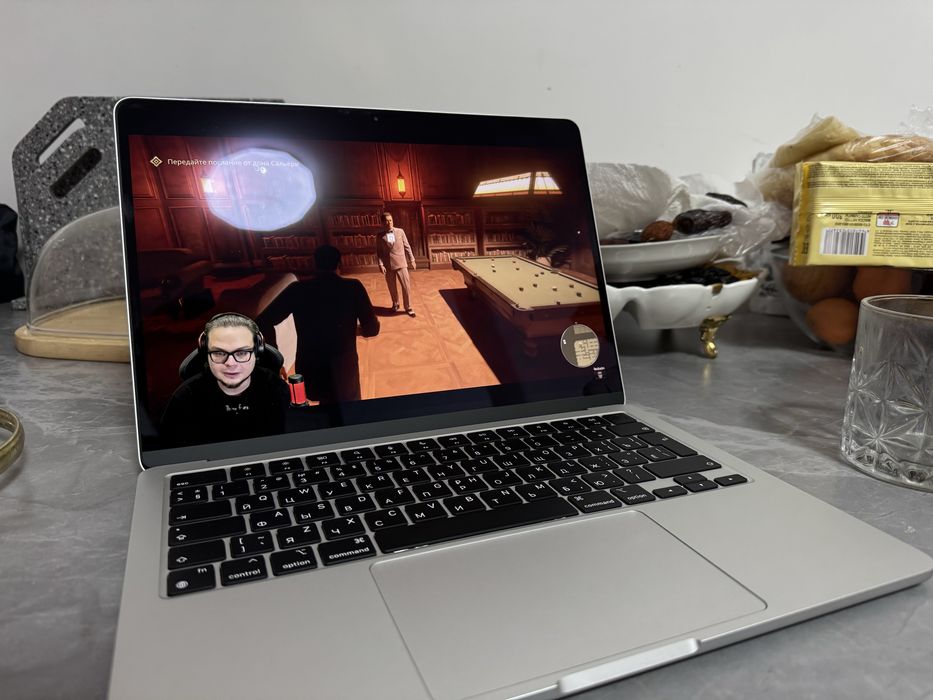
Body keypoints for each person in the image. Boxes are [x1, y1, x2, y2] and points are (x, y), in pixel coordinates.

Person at [259, 244, 379, 404]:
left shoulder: (297, 290)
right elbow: (372, 330)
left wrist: (275, 360)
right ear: (339, 264)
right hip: (343, 369)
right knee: (348, 410)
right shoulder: (353, 287)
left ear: (314, 264)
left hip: (310, 367)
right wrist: (352, 329)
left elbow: (263, 321)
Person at [161, 313, 290, 446]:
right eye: (219, 353)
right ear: (206, 353)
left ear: (257, 351)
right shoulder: (184, 399)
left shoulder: (276, 388)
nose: (230, 363)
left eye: (241, 353)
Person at [376, 211, 417, 317]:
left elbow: (407, 246)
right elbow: (379, 252)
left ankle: (408, 307)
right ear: (382, 223)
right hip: (388, 265)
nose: (389, 222)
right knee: (392, 287)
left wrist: (412, 259)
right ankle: (395, 304)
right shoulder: (379, 236)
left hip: (401, 264)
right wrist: (381, 264)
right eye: (386, 221)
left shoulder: (400, 232)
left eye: (391, 220)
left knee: (406, 286)